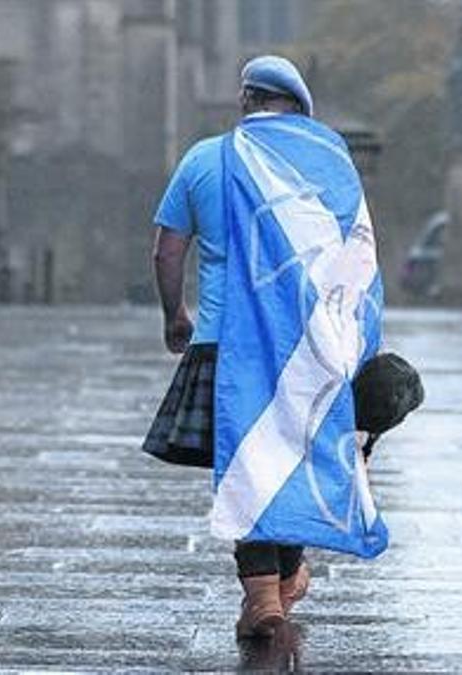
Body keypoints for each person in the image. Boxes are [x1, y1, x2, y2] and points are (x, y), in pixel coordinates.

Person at [144, 55, 389, 640]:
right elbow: (356, 259)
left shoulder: (208, 158)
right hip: (309, 345)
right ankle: (281, 583)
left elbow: (166, 251)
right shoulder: (329, 166)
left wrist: (174, 314)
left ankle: (264, 596)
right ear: (299, 113)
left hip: (225, 344)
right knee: (296, 454)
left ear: (246, 100)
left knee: (249, 465)